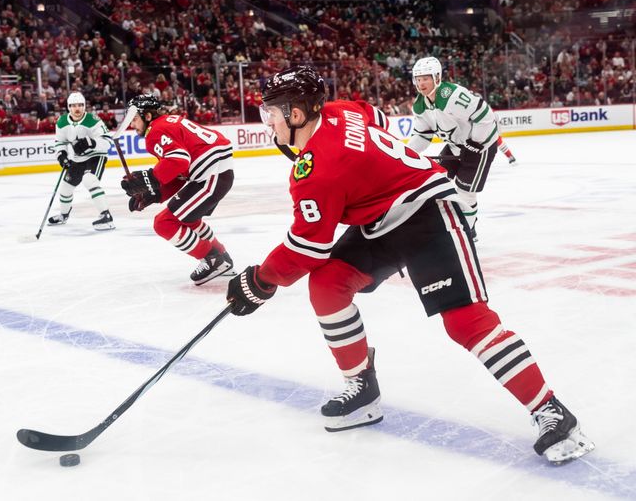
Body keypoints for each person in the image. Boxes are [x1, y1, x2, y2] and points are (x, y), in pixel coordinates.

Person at [225, 65, 594, 464]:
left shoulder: (316, 170)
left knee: (464, 320)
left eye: (271, 114)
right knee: (328, 284)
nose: (268, 123)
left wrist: (259, 282)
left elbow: (307, 248)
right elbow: (373, 116)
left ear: (296, 114)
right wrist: (374, 172)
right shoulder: (337, 110)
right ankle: (361, 387)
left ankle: (553, 412)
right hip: (380, 221)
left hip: (427, 214)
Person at [121, 94, 234, 285]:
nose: (133, 124)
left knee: (163, 223)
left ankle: (213, 259)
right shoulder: (167, 123)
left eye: (135, 118)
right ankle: (221, 256)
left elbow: (179, 160)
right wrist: (154, 193)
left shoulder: (155, 132)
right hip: (215, 174)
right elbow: (180, 172)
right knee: (188, 219)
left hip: (210, 176)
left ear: (147, 116)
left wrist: (150, 178)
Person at [406, 57, 517, 240]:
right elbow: (422, 135)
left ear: (437, 78)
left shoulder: (451, 95)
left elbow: (485, 116)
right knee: (439, 182)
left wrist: (475, 144)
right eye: (418, 79)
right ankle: (446, 223)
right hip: (455, 146)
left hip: (481, 147)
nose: (421, 83)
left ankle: (468, 231)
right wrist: (405, 153)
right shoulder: (420, 105)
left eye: (425, 78)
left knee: (465, 191)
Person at [47, 92, 116, 231]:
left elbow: (108, 142)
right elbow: (60, 142)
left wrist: (91, 142)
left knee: (89, 180)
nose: (77, 109)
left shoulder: (93, 120)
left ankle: (106, 216)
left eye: (80, 105)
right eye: (73, 106)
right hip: (78, 159)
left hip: (96, 156)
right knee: (65, 187)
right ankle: (63, 215)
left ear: (84, 106)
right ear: (68, 107)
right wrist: (61, 155)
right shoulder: (61, 122)